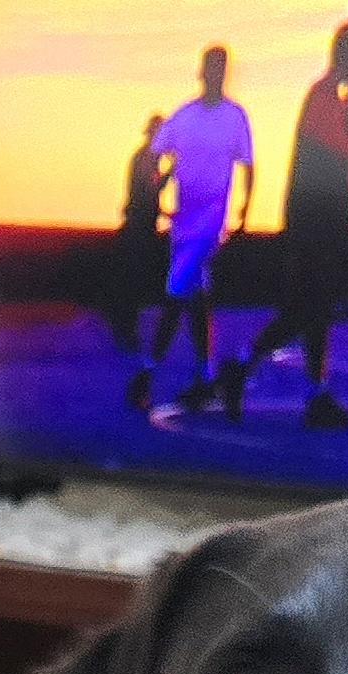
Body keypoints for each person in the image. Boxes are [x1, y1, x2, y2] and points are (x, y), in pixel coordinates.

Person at [227, 19, 348, 427]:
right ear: (343, 55)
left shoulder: (332, 100)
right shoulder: (324, 98)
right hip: (314, 224)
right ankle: (247, 369)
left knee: (311, 312)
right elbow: (331, 161)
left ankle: (308, 390)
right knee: (310, 309)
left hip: (318, 220)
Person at [136, 45, 256, 410]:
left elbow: (247, 165)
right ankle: (207, 376)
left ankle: (147, 372)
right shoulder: (185, 116)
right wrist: (159, 185)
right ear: (203, 72)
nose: (216, 75)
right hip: (185, 221)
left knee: (176, 293)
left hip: (210, 222)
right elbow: (155, 154)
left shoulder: (234, 117)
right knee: (197, 299)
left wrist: (244, 212)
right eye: (212, 69)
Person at [104, 116, 170, 364]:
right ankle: (126, 331)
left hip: (141, 225)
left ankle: (126, 330)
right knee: (134, 282)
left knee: (134, 282)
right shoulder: (147, 158)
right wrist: (171, 174)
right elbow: (149, 191)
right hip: (140, 228)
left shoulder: (146, 157)